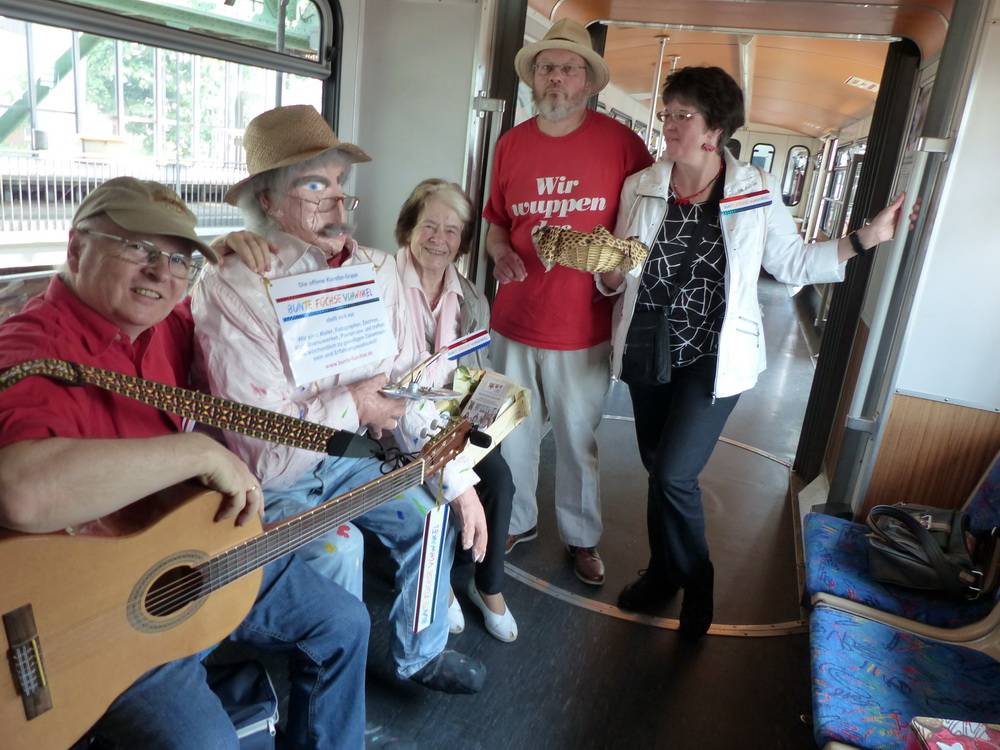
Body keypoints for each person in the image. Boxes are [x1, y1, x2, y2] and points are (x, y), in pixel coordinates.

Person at [0, 177, 369, 749]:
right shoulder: (29, 349)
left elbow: (253, 335)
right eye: (136, 248)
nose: (159, 272)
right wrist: (195, 450)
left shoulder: (167, 323)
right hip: (93, 615)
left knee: (344, 623)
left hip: (188, 548)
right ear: (76, 248)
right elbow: (22, 491)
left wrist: (235, 261)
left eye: (176, 259)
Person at [602, 66, 912, 639]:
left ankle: (697, 581)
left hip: (713, 358)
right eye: (666, 112)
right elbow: (620, 273)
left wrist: (866, 237)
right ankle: (663, 572)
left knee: (673, 472)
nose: (668, 124)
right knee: (656, 469)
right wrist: (610, 276)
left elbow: (792, 264)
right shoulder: (641, 185)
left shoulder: (755, 190)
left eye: (682, 115)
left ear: (713, 130)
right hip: (649, 347)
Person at [192, 105, 489, 694]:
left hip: (342, 458)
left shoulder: (354, 269)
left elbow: (395, 383)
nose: (335, 202)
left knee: (429, 515)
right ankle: (337, 680)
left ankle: (418, 653)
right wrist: (357, 405)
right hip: (276, 482)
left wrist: (457, 480)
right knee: (340, 549)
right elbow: (268, 456)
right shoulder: (234, 285)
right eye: (313, 185)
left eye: (338, 186)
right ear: (269, 201)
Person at [482, 18, 654, 585]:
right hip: (513, 318)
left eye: (569, 68)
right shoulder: (511, 143)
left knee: (580, 440)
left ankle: (582, 536)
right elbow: (494, 224)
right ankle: (519, 519)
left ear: (587, 82)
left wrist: (613, 274)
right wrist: (500, 251)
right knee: (515, 433)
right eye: (547, 68)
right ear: (535, 78)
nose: (557, 77)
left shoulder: (623, 146)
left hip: (583, 323)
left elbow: (640, 238)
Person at [395, 178, 518, 642]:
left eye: (451, 231)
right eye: (429, 226)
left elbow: (475, 373)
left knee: (501, 476)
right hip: (394, 425)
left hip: (451, 418)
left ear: (463, 242)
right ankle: (440, 584)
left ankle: (490, 587)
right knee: (435, 491)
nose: (439, 240)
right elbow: (391, 391)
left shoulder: (471, 299)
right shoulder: (383, 286)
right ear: (408, 228)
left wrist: (490, 411)